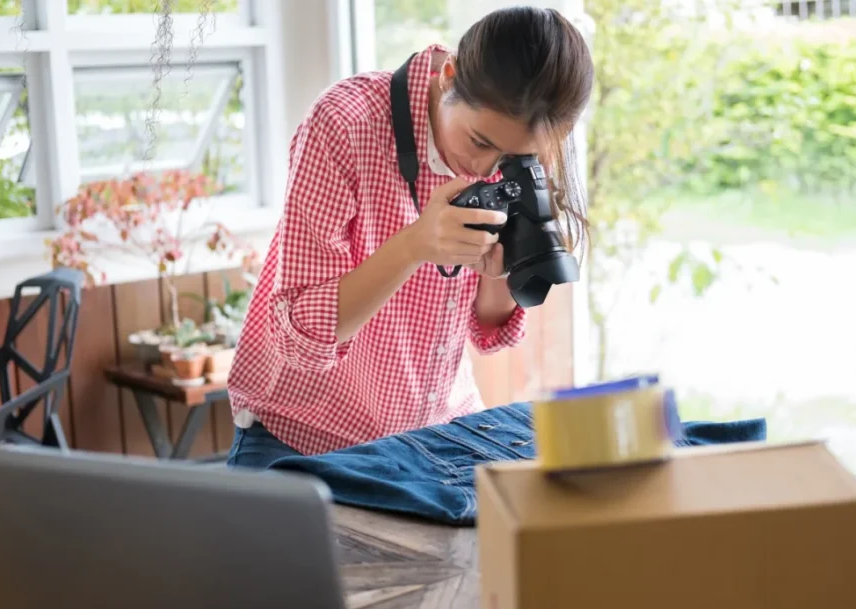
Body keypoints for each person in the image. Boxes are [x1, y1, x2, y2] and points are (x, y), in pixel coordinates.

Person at [226, 6, 594, 467]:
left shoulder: (525, 147)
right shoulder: (346, 123)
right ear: (449, 77)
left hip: (436, 431)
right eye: (480, 142)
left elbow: (489, 334)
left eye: (511, 157)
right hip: (305, 434)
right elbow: (300, 337)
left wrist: (496, 271)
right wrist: (415, 245)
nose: (486, 169)